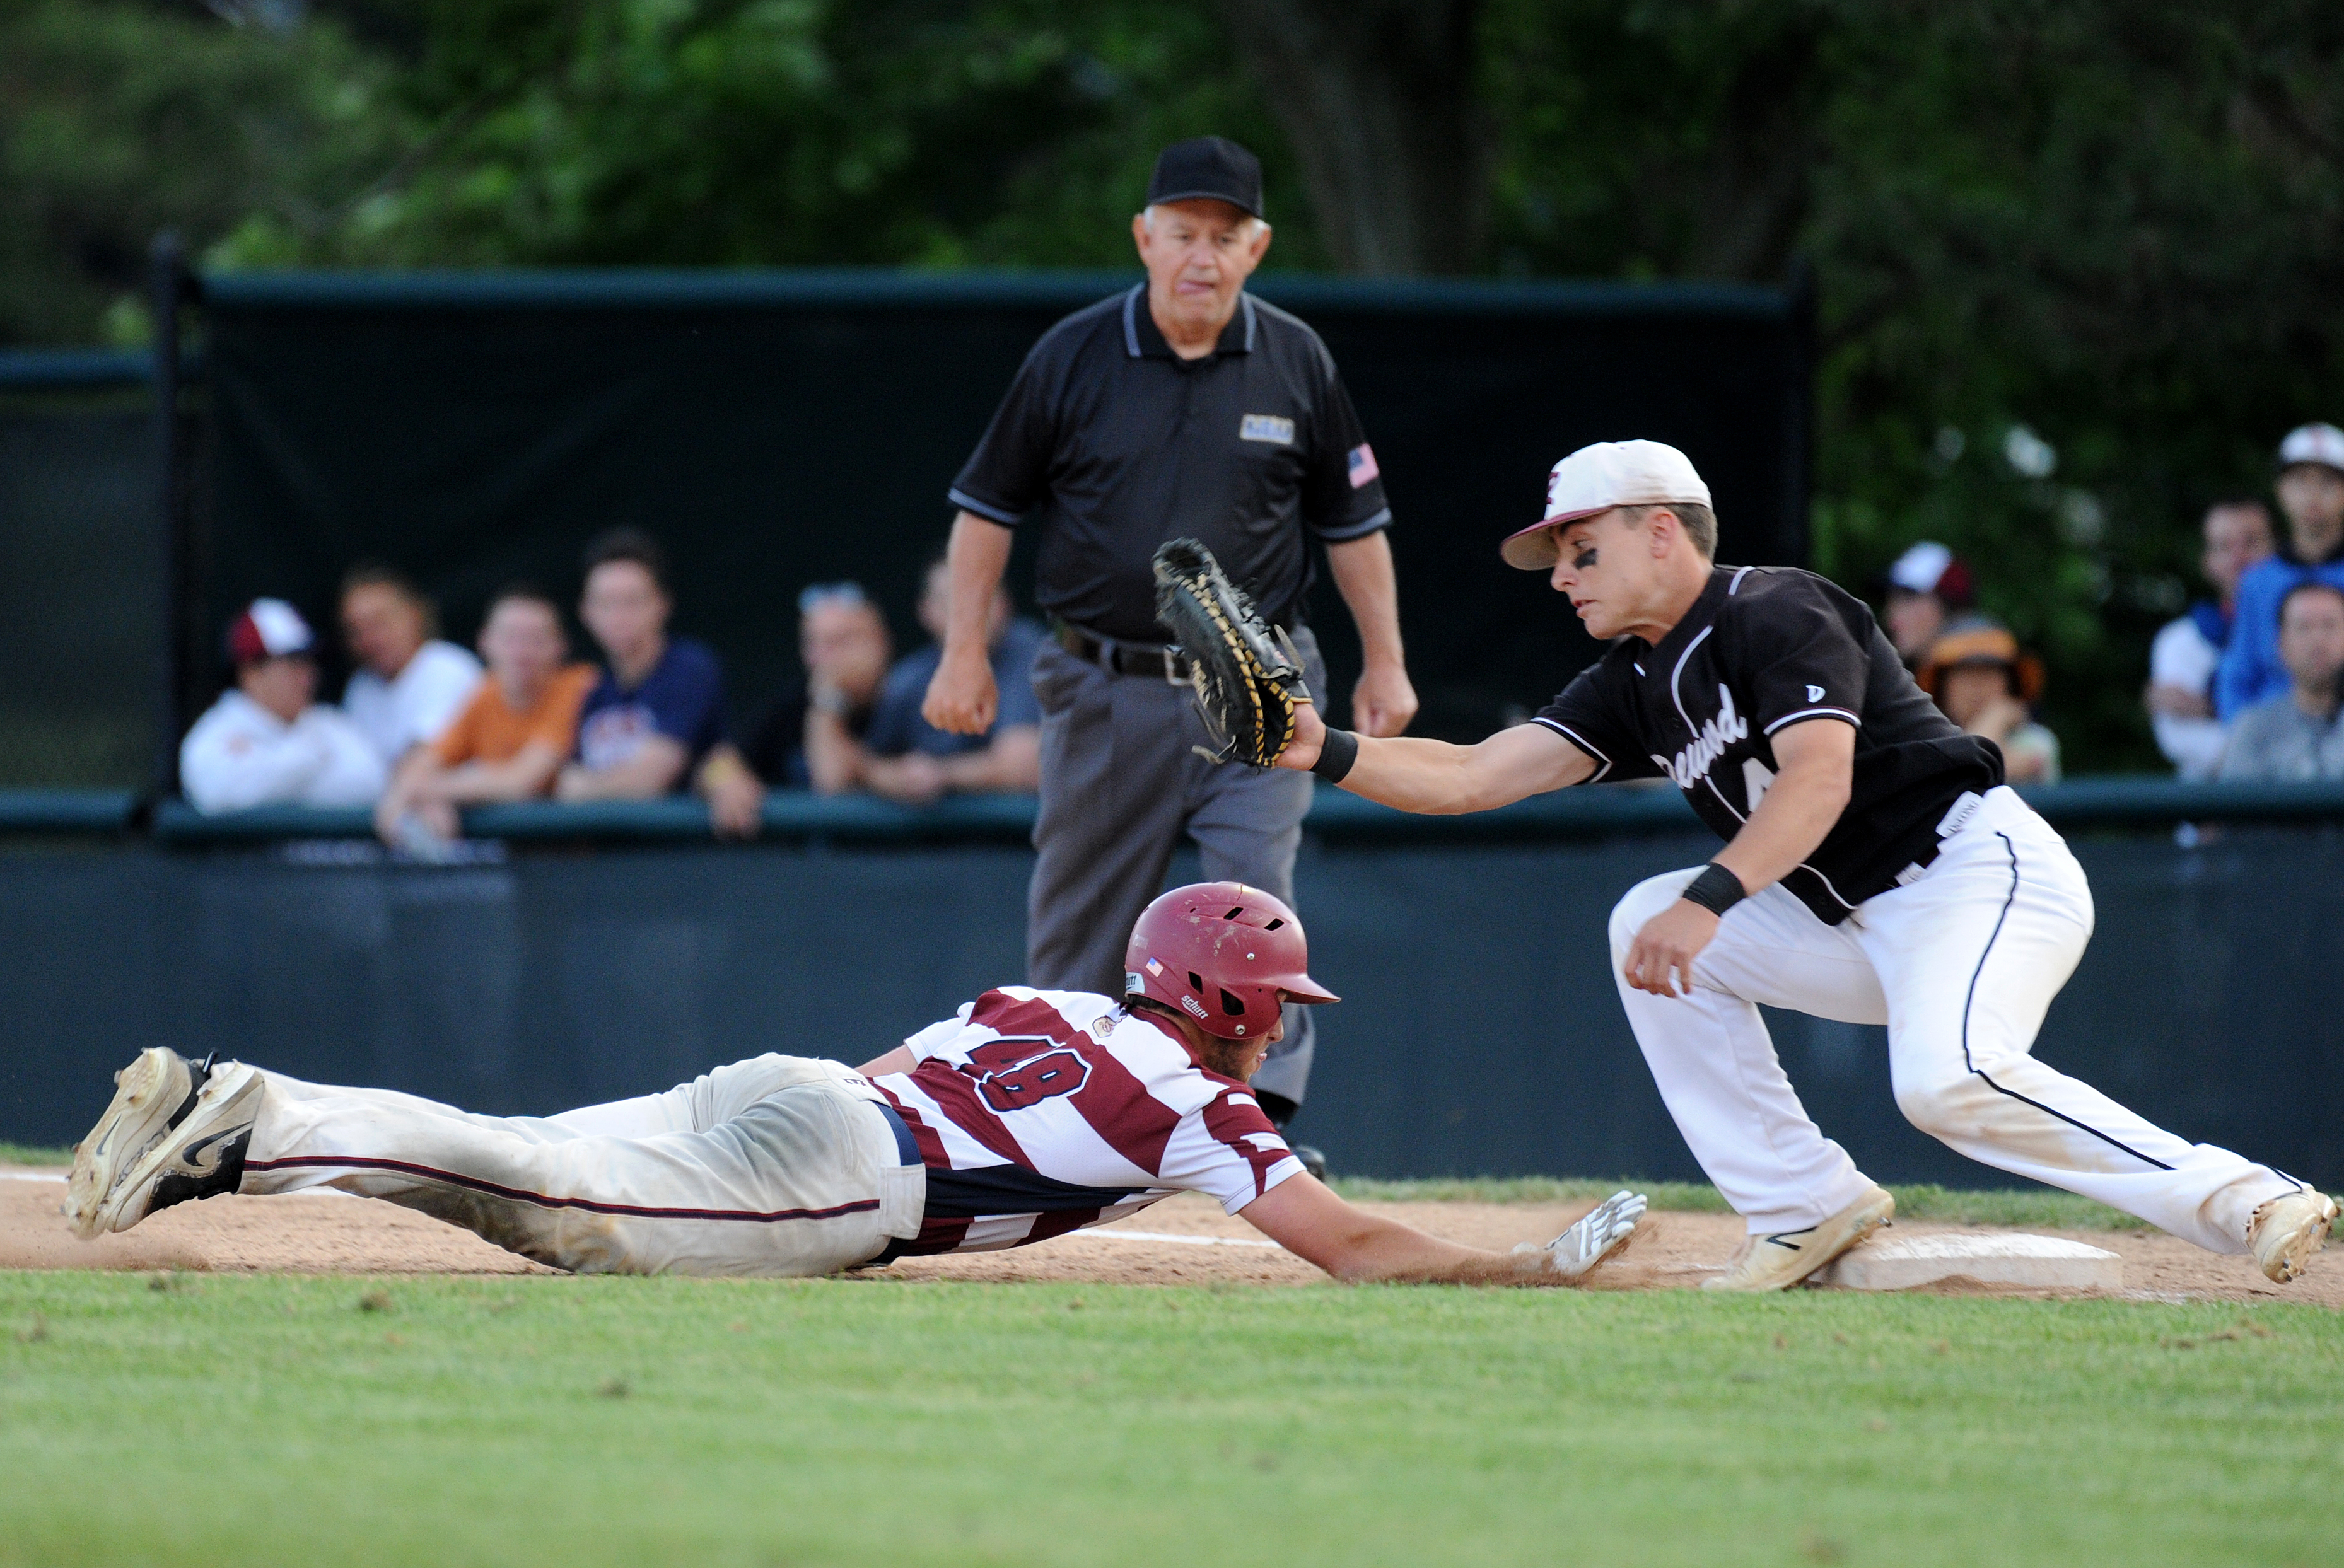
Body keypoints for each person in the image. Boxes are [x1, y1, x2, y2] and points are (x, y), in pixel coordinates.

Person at [1271, 438, 2337, 1291]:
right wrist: (1324, 748)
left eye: (1579, 548)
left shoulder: (1773, 608)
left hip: (1975, 874)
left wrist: (1711, 896)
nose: (1560, 575)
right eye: (1556, 557)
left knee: (1945, 1079)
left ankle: (2248, 1198)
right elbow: (1470, 776)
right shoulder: (1632, 678)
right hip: (1856, 920)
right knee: (1637, 919)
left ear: (1660, 531)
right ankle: (1800, 1203)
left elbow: (1815, 780)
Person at [61, 882, 1647, 1289]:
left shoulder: (1050, 997)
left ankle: (250, 1111)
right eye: (1271, 1000)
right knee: (547, 1205)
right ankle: (248, 1117)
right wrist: (1531, 1260)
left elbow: (896, 1066)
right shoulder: (1198, 1105)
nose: (1274, 1027)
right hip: (844, 1171)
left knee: (529, 1147)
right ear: (1225, 995)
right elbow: (1354, 1246)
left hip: (812, 1085)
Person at [922, 136, 1418, 1130]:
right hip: (1108, 681)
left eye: (1225, 237)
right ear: (1144, 238)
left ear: (1257, 247)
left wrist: (1388, 662)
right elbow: (986, 510)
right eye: (1183, 233)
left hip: (1264, 680)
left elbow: (1353, 525)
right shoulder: (1071, 354)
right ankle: (1050, 1119)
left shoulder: (1296, 357)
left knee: (1252, 902)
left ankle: (1257, 1121)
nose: (1203, 254)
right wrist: (964, 650)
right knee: (1082, 918)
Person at [557, 529, 764, 837]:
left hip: (682, 861)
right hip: (605, 866)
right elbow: (564, 785)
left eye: (632, 601)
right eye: (605, 603)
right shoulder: (592, 690)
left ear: (662, 604)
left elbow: (650, 779)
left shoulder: (689, 667)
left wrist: (587, 787)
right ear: (586, 613)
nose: (618, 616)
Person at [373, 586, 598, 847]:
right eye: (511, 638)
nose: (522, 651)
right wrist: (419, 808)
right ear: (485, 642)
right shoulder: (486, 693)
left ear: (561, 647)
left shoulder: (578, 687)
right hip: (515, 860)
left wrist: (427, 792)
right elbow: (419, 767)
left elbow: (520, 781)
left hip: (591, 857)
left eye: (536, 639)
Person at [856, 556, 1044, 804]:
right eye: (953, 600)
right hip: (935, 840)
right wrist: (891, 777)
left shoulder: (1030, 651)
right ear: (926, 612)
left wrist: (940, 774)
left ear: (1005, 604)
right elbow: (857, 768)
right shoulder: (909, 679)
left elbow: (1022, 767)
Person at [180, 599, 387, 813]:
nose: (308, 677)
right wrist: (310, 757)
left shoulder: (328, 722)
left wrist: (269, 772)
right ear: (251, 673)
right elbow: (218, 794)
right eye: (293, 664)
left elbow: (371, 784)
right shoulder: (216, 732)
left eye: (310, 662)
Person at [2216, 424, 2344, 719]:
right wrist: (2246, 742)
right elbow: (2238, 675)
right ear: (2280, 491)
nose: (2313, 495)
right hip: (2272, 748)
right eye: (2301, 482)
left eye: (2327, 482)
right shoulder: (2256, 582)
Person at [2148, 499, 2274, 779]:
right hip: (2210, 811)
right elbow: (2180, 738)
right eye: (2224, 546)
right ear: (2207, 561)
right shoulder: (2180, 640)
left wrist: (2207, 707)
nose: (2239, 558)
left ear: (2276, 551)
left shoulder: (2309, 625)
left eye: (2251, 542)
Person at [741, 584, 892, 793]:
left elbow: (831, 782)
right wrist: (724, 781)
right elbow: (719, 760)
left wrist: (827, 700)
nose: (823, 658)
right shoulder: (795, 699)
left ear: (880, 643)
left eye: (840, 642)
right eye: (813, 643)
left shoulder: (910, 695)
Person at [338, 567, 483, 767]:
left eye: (379, 623)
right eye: (356, 630)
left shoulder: (446, 666)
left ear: (414, 616)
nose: (369, 639)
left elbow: (424, 760)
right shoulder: (361, 687)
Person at [2217, 581, 2344, 782]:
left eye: (2329, 626)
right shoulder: (2254, 730)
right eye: (2304, 627)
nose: (2318, 641)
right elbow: (2236, 809)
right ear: (2281, 644)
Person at [1915, 622, 2060, 784]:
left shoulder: (2035, 740)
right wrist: (1997, 715)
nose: (1978, 685)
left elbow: (1974, 772)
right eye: (1965, 673)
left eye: (1989, 673)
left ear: (2010, 683)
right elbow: (1968, 771)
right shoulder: (1924, 743)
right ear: (1942, 687)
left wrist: (1997, 715)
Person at [1879, 541, 1976, 668]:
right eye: (1891, 601)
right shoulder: (1924, 680)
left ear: (1950, 607)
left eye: (1908, 599)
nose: (1891, 620)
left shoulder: (1977, 677)